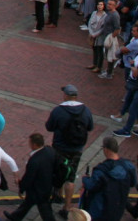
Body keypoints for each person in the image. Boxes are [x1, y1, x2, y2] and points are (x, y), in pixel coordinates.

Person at [46, 84, 94, 217]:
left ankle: (56, 195)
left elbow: (49, 127)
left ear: (66, 95)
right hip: (77, 149)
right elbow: (90, 127)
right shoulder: (86, 110)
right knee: (71, 177)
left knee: (57, 172)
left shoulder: (58, 110)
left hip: (60, 147)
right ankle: (67, 207)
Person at [80, 136, 137, 221]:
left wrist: (85, 179)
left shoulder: (101, 170)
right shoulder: (128, 166)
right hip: (118, 207)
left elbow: (91, 185)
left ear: (106, 149)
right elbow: (133, 182)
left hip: (100, 209)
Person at [3, 132, 57, 221]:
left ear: (34, 145)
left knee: (44, 208)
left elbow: (28, 177)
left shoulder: (34, 161)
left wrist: (21, 188)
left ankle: (16, 217)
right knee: (28, 203)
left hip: (38, 189)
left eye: (30, 143)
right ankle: (15, 217)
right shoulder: (49, 151)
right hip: (47, 184)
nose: (29, 145)